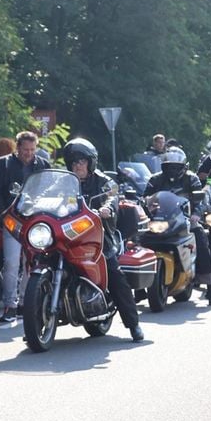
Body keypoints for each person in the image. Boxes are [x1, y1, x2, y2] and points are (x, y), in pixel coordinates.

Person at [61, 139, 144, 342]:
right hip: (67, 234)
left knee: (114, 274)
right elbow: (47, 197)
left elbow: (112, 197)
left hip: (98, 236)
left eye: (81, 161)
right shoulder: (63, 182)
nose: (77, 165)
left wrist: (107, 208)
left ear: (91, 162)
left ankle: (133, 325)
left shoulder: (104, 181)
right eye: (73, 161)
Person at [0, 131, 50, 322]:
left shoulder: (42, 165)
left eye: (32, 149)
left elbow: (51, 189)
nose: (29, 153)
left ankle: (26, 302)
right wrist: (2, 213)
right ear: (17, 147)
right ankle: (10, 304)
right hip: (12, 219)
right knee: (12, 262)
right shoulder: (3, 164)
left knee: (31, 263)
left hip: (35, 221)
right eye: (25, 149)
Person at [143, 148, 211, 305]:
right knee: (137, 241)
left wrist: (196, 213)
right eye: (169, 166)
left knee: (200, 238)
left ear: (184, 167)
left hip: (185, 219)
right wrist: (143, 210)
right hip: (159, 220)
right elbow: (144, 198)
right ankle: (139, 287)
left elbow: (201, 200)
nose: (173, 170)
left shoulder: (192, 179)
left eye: (176, 166)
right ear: (164, 166)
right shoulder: (155, 179)